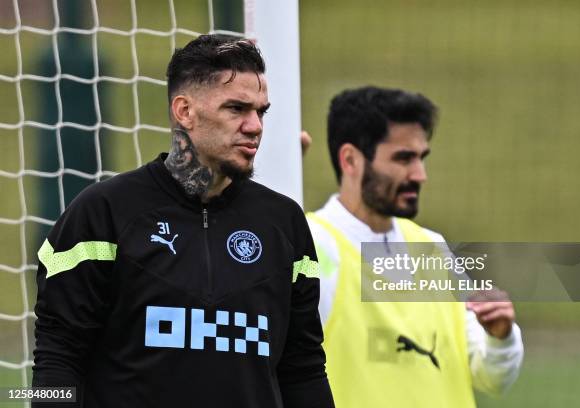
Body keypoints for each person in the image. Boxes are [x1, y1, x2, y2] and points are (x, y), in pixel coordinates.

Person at [32, 34, 334, 408]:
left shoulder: (283, 222)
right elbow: (55, 361)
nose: (255, 126)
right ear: (184, 111)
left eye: (261, 111)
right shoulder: (102, 213)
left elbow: (303, 368)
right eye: (237, 109)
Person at [307, 86, 523, 407]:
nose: (420, 175)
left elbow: (490, 377)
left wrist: (500, 337)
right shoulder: (314, 246)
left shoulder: (431, 248)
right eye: (403, 158)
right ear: (351, 160)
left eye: (421, 158)